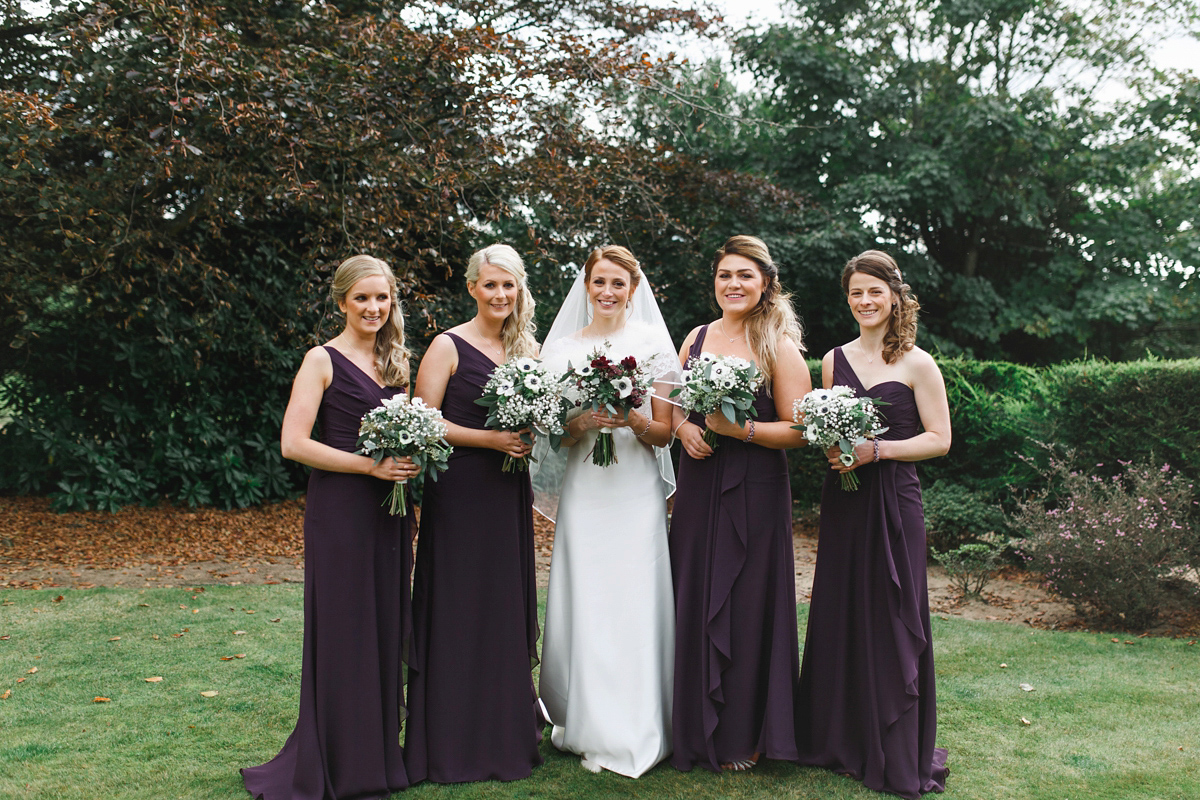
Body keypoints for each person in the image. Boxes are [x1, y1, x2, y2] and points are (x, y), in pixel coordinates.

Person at [242, 255, 418, 800]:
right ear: (342, 301)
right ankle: (338, 760)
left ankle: (378, 756)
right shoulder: (321, 359)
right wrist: (370, 466)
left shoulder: (396, 362)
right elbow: (293, 443)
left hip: (389, 511)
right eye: (362, 298)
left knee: (386, 626)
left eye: (382, 298)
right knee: (346, 629)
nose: (373, 308)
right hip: (341, 511)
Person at [795, 249, 951, 798]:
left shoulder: (917, 362)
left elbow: (939, 439)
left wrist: (876, 450)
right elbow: (824, 429)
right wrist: (835, 450)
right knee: (842, 608)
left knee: (892, 610)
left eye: (873, 292)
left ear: (893, 296)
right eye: (856, 293)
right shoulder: (834, 361)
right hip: (845, 497)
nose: (864, 301)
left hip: (894, 500)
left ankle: (890, 740)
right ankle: (839, 737)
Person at [668, 235, 812, 772]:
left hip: (754, 488)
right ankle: (690, 726)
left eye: (745, 275)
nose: (733, 284)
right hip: (701, 482)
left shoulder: (780, 344)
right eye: (725, 275)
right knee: (695, 594)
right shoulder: (697, 337)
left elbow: (800, 430)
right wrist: (684, 429)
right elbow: (673, 409)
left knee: (748, 606)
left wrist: (743, 429)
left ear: (766, 283)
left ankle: (743, 734)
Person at [533, 245, 677, 778]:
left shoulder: (654, 347)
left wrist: (629, 420)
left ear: (633, 289)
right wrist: (581, 423)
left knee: (633, 592)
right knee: (588, 591)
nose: (608, 292)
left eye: (619, 283)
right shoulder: (562, 349)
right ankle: (587, 718)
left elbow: (665, 432)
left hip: (634, 486)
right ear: (587, 286)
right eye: (600, 282)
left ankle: (639, 723)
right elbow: (553, 434)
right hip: (587, 486)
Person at [404, 243, 544, 783]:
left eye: (509, 285)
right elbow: (425, 420)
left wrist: (530, 433)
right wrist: (490, 439)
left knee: (501, 605)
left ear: (519, 289)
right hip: (460, 492)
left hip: (508, 491)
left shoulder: (526, 350)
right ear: (472, 288)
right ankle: (449, 736)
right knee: (458, 604)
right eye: (491, 285)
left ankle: (501, 732)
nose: (500, 294)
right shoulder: (448, 345)